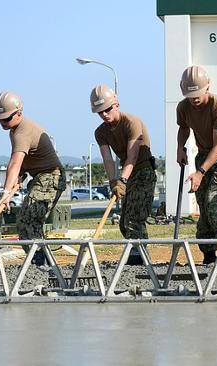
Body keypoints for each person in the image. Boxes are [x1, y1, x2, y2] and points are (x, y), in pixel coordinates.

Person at [176, 65, 217, 264]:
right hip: (203, 154)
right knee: (203, 203)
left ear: (207, 87)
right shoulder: (183, 107)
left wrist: (200, 172)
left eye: (197, 93)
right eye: (190, 94)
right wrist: (180, 147)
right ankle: (208, 253)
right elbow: (184, 128)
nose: (194, 98)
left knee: (215, 197)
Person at [0, 91, 66, 266]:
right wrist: (19, 177)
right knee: (26, 222)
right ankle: (41, 260)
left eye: (6, 118)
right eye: (0, 119)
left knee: (29, 220)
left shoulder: (22, 132)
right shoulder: (15, 130)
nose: (3, 123)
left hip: (51, 177)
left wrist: (6, 192)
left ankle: (41, 262)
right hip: (40, 177)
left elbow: (15, 162)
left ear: (19, 113)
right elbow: (25, 162)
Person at [90, 85, 156, 265]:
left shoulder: (131, 122)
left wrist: (122, 180)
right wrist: (113, 181)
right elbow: (107, 159)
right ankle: (135, 253)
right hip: (126, 174)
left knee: (135, 217)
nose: (104, 114)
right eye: (100, 112)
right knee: (124, 222)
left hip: (143, 171)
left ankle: (140, 258)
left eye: (107, 109)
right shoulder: (100, 132)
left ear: (116, 104)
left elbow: (132, 155)